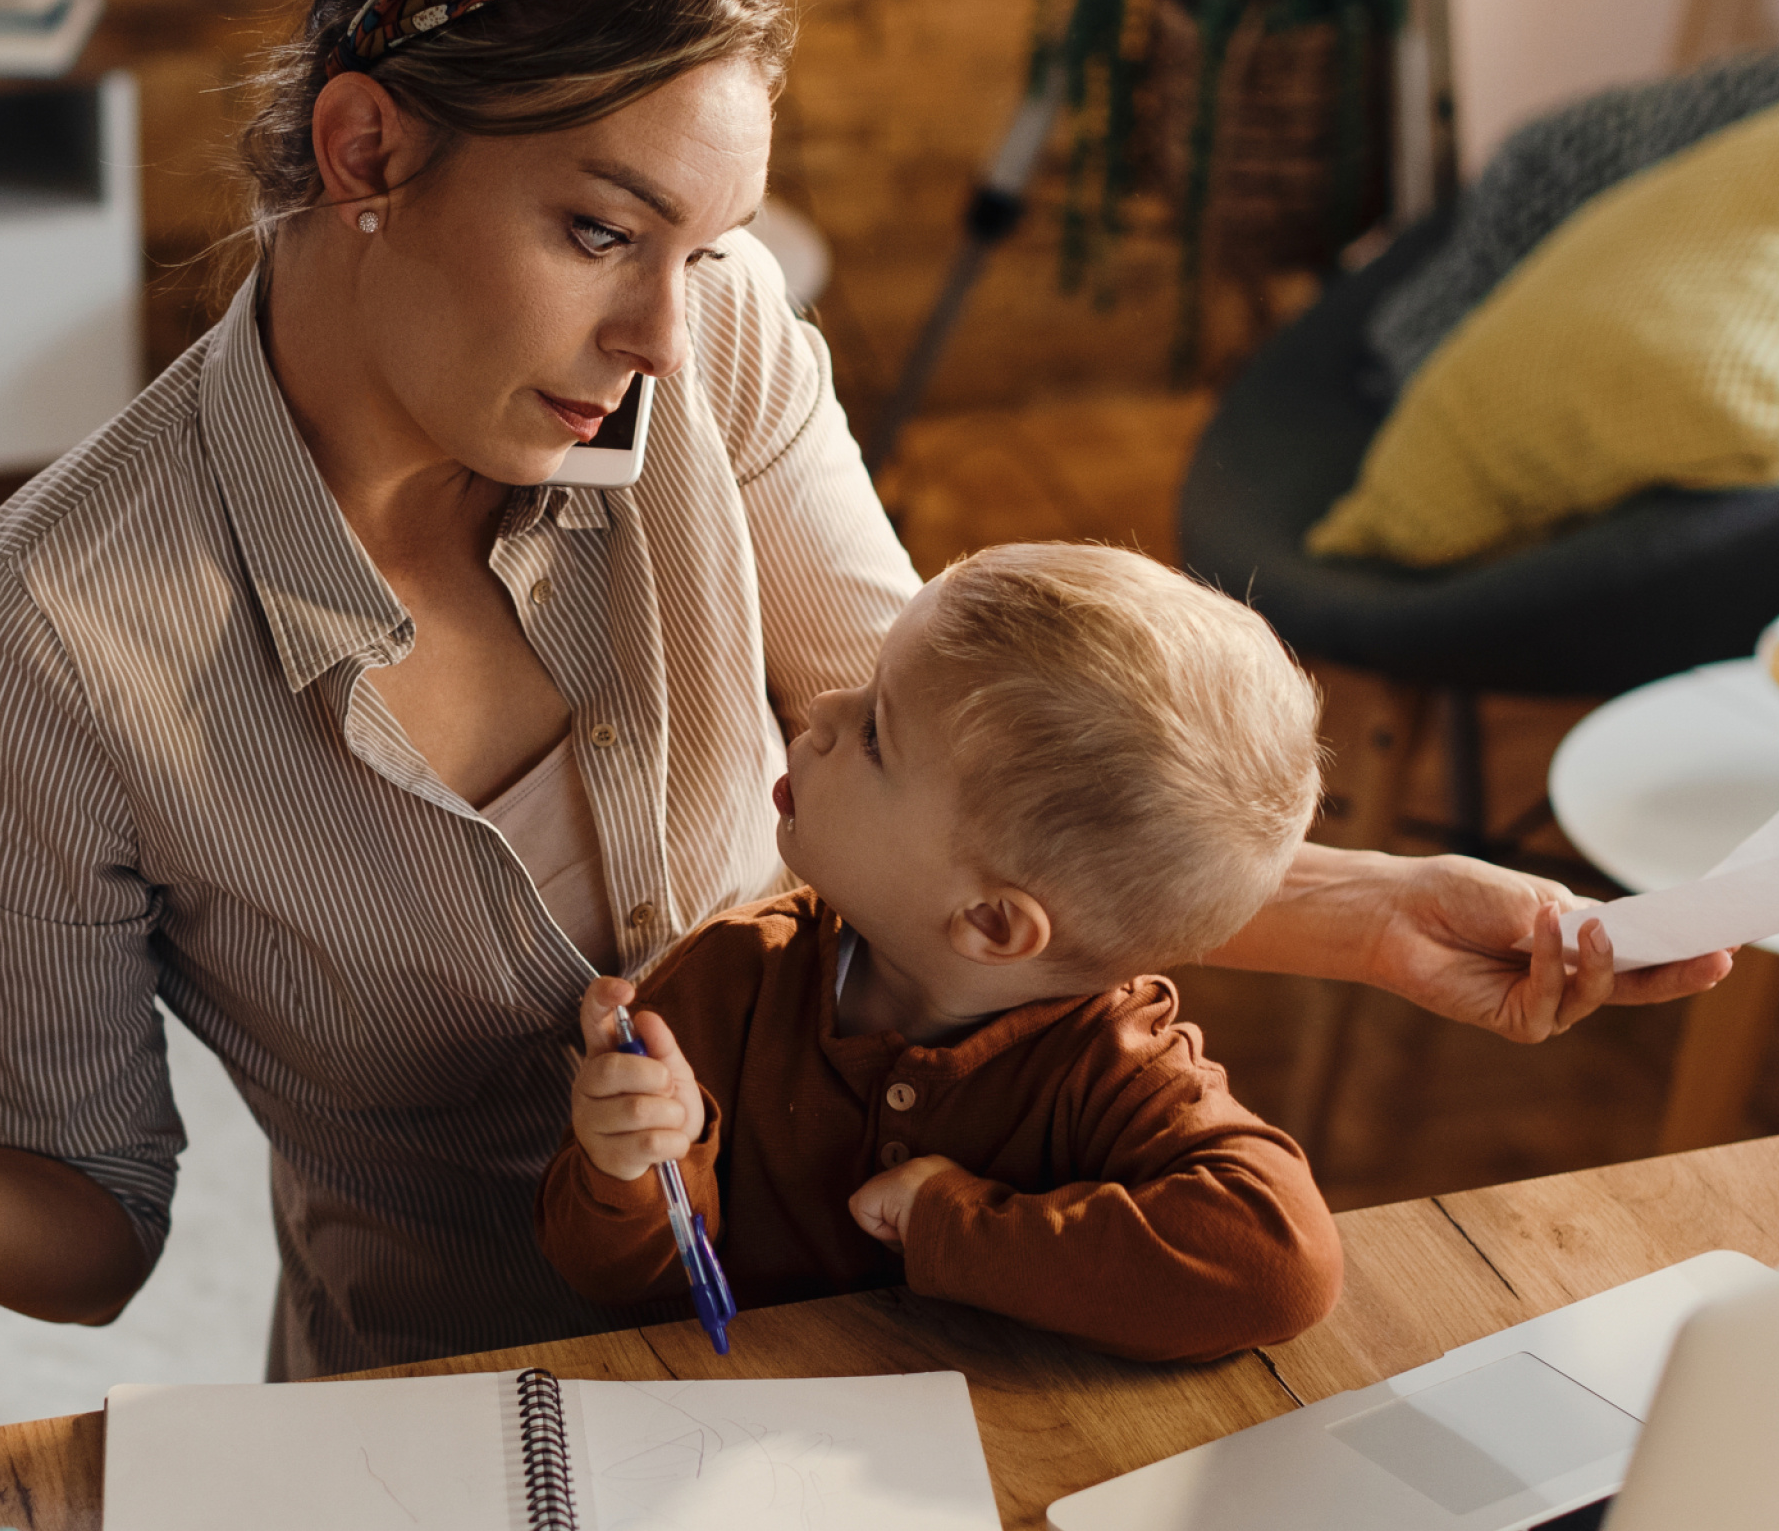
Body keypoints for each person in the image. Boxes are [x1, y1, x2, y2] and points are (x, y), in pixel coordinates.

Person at [0, 0, 1728, 1378]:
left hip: (862, 1348)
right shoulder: (49, 643)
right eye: (603, 232)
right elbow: (99, 1222)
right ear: (367, 153)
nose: (660, 330)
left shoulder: (710, 346)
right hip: (450, 1416)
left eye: (699, 249)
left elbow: (963, 761)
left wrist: (1356, 916)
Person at [540, 542, 1341, 1362]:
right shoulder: (729, 980)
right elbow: (605, 1275)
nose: (820, 711)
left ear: (992, 924)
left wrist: (956, 1226)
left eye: (876, 735)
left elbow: (1284, 1264)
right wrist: (630, 1168)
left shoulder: (1118, 1065)